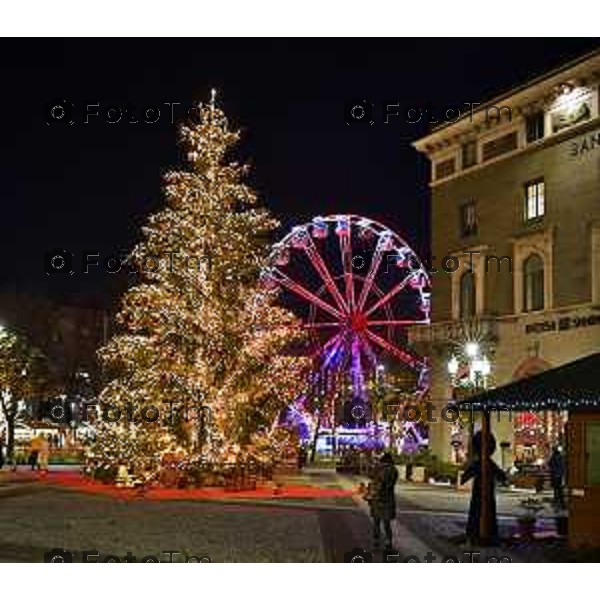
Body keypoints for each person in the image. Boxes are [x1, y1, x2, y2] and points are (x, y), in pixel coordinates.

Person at [461, 431, 507, 544]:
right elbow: (502, 477)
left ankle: (476, 532)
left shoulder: (480, 463)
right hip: (487, 491)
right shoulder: (488, 463)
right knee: (486, 510)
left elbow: (465, 477)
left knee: (478, 510)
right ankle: (485, 532)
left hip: (480, 491)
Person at [366, 452, 398, 550]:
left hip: (377, 498)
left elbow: (370, 476)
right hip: (388, 498)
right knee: (386, 522)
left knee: (376, 522)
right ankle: (388, 541)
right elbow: (392, 483)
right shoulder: (394, 470)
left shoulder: (377, 468)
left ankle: (376, 540)